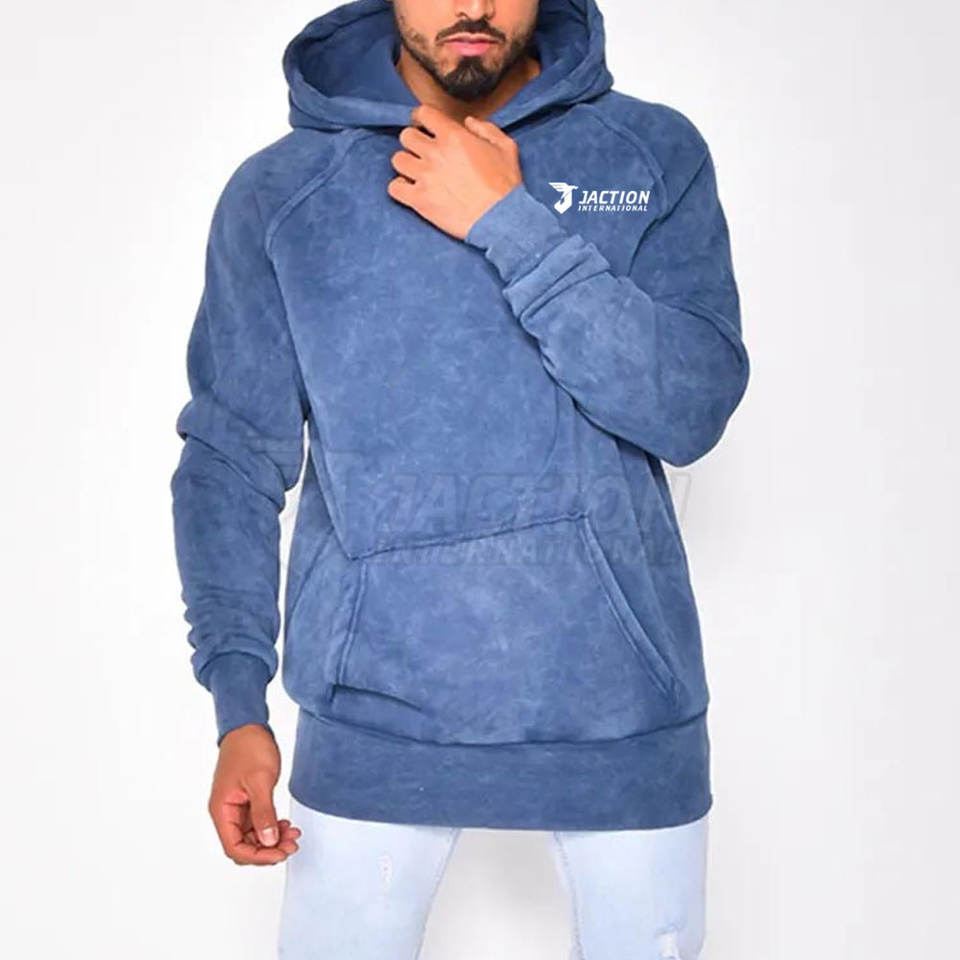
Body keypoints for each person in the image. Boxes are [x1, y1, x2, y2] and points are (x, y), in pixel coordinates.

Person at [170, 0, 749, 956]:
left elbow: (689, 413)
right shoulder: (283, 194)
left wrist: (509, 224)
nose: (474, 6)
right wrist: (238, 706)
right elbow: (230, 461)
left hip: (625, 724)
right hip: (371, 724)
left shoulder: (649, 154)